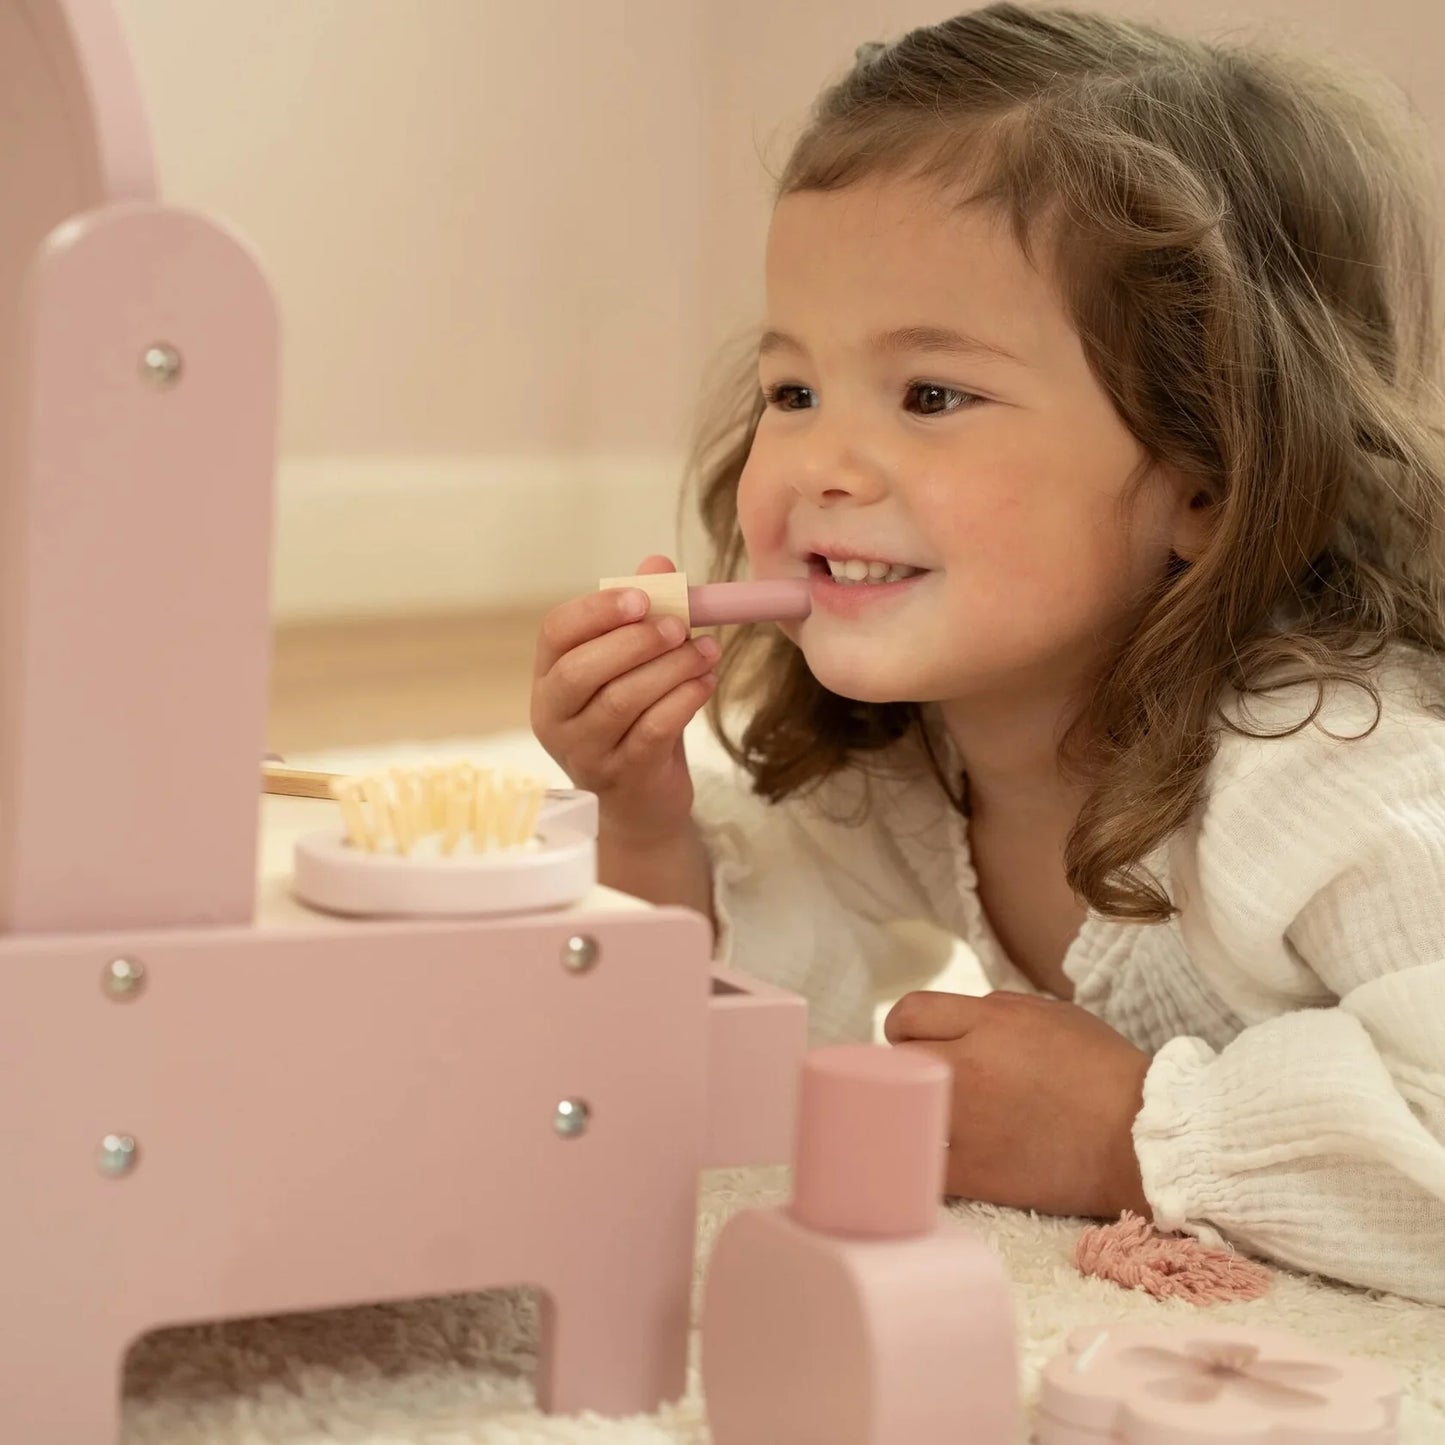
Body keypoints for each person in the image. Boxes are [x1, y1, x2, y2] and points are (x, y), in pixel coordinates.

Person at [530, 3, 1445, 1304]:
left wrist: (1127, 1132)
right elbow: (713, 1030)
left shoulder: (1324, 775)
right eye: (792, 389)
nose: (816, 465)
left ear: (1201, 472)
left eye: (930, 396)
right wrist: (641, 810)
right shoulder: (924, 748)